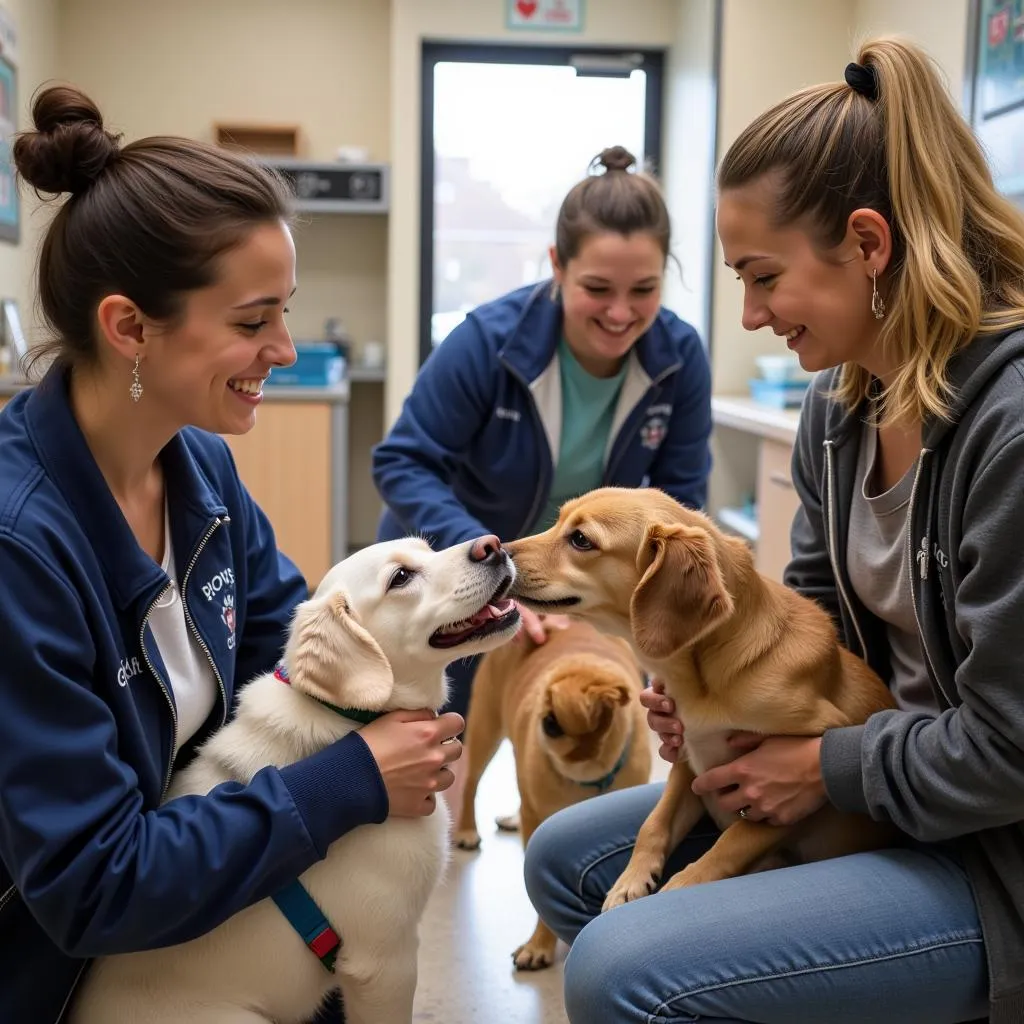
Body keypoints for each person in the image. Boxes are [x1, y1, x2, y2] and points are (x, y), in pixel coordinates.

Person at [523, 37, 1024, 1024]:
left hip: (986, 848)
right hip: (874, 789)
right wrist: (702, 700)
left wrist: (826, 765)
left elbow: (1010, 747)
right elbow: (812, 624)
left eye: (761, 277)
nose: (748, 315)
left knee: (619, 971)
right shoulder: (839, 411)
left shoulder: (1007, 426)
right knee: (559, 861)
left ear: (868, 245)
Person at [0, 86, 463, 1024]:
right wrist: (352, 778)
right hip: (62, 976)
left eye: (284, 313)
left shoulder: (197, 470)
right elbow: (97, 883)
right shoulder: (21, 549)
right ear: (129, 327)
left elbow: (294, 664)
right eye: (254, 323)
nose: (286, 350)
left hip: (201, 930)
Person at [373, 145, 713, 733]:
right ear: (557, 265)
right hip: (458, 559)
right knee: (436, 735)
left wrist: (598, 603)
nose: (620, 312)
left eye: (644, 291)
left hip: (577, 579)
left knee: (570, 720)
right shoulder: (487, 341)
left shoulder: (680, 359)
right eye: (598, 288)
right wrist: (488, 566)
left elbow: (680, 499)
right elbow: (404, 461)